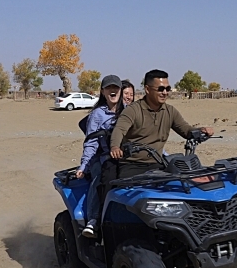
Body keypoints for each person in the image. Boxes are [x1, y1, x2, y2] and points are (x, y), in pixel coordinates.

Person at [109, 69, 214, 179]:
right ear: (147, 89)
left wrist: (201, 130)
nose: (165, 92)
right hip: (132, 165)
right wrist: (115, 147)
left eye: (167, 89)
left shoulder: (170, 111)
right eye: (160, 89)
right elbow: (119, 130)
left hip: (158, 164)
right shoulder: (133, 110)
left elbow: (186, 130)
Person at [76, 75, 124, 237]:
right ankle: (94, 220)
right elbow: (91, 142)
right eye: (109, 88)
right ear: (103, 92)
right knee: (100, 178)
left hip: (127, 156)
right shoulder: (97, 114)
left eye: (116, 88)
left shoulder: (129, 111)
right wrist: (84, 166)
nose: (113, 91)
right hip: (103, 156)